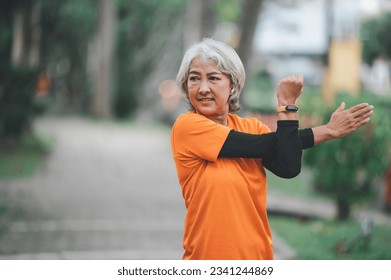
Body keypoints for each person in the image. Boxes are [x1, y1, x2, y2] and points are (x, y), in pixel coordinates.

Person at [170, 38, 374, 260]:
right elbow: (262, 145)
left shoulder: (250, 127)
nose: (203, 88)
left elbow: (288, 166)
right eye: (194, 78)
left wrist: (304, 117)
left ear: (233, 85)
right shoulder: (187, 126)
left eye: (213, 78)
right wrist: (314, 123)